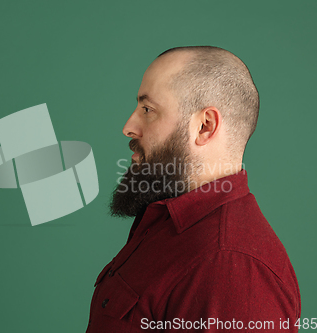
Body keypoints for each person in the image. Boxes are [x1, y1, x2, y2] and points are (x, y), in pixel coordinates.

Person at [86, 46, 301, 332]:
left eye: (148, 110)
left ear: (204, 126)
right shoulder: (167, 223)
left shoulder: (230, 267)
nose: (129, 126)